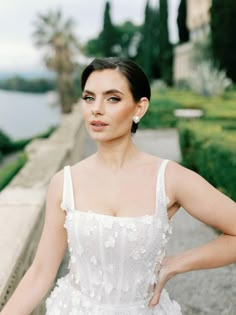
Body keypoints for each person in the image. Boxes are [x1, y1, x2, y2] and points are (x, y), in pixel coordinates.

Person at [1, 57, 236, 315]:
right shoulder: (64, 183)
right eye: (89, 98)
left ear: (139, 108)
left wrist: (177, 264)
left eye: (112, 98)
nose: (96, 109)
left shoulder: (169, 178)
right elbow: (39, 274)